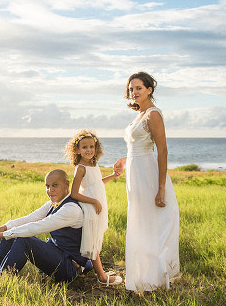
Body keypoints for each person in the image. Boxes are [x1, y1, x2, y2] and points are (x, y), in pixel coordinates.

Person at [114, 71, 180, 292]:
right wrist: (125, 160)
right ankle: (141, 276)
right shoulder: (138, 115)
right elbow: (138, 146)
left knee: (151, 224)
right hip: (135, 173)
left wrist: (161, 188)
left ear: (149, 90)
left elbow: (162, 151)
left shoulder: (153, 115)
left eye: (138, 88)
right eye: (131, 89)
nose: (134, 92)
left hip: (148, 175)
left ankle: (154, 278)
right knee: (140, 222)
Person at [0, 169, 89, 282]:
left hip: (69, 268)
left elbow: (39, 226)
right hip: (57, 255)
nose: (50, 190)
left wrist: (2, 235)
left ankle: (1, 280)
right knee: (13, 232)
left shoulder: (71, 209)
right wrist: (4, 227)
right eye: (47, 186)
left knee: (23, 239)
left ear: (66, 184)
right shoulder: (54, 203)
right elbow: (30, 219)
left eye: (55, 185)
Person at [63, 130, 123, 286]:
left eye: (91, 146)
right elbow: (74, 193)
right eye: (84, 147)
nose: (89, 150)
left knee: (94, 240)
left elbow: (96, 183)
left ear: (96, 148)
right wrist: (94, 202)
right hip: (89, 206)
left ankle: (80, 266)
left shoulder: (93, 164)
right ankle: (102, 277)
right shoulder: (81, 168)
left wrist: (112, 176)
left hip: (96, 204)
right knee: (93, 243)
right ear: (77, 150)